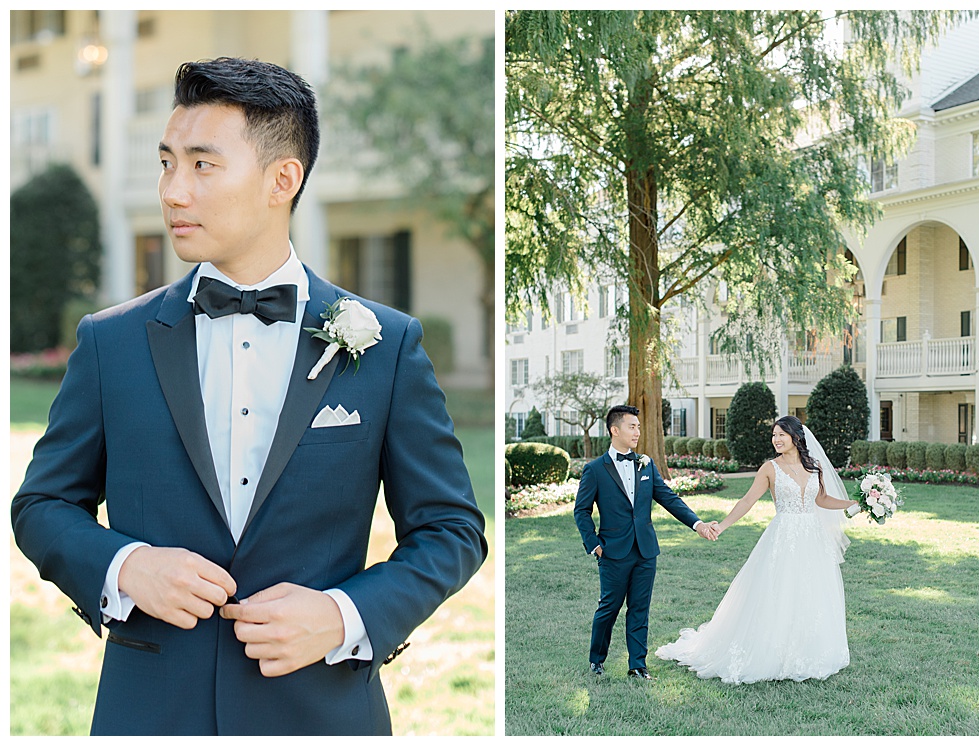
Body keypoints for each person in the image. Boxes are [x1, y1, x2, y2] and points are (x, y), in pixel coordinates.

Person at [11, 57, 487, 736]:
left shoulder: (387, 345)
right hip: (149, 712)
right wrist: (125, 565)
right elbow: (41, 505)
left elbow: (452, 530)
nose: (173, 192)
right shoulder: (110, 343)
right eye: (167, 162)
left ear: (281, 180)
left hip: (320, 713)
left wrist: (343, 616)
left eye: (202, 165)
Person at [655, 415, 857, 684]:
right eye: (774, 435)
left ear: (796, 437)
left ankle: (807, 650)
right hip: (783, 537)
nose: (776, 440)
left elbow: (821, 499)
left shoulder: (814, 467)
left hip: (812, 538)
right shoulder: (769, 468)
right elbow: (748, 500)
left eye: (781, 435)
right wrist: (722, 526)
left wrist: (852, 503)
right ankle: (773, 651)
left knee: (810, 591)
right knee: (779, 590)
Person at [574, 405, 720, 680]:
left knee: (640, 609)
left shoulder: (646, 463)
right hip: (612, 551)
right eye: (632, 426)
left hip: (645, 550)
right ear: (614, 430)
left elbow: (668, 497)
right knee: (609, 607)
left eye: (639, 427)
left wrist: (697, 524)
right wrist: (593, 543)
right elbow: (581, 510)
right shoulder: (594, 469)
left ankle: (638, 666)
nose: (638, 432)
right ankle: (596, 659)